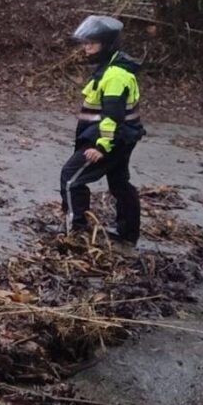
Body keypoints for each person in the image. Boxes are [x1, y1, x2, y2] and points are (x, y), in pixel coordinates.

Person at [59, 15, 144, 246]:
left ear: (106, 45)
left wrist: (101, 146)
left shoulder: (115, 75)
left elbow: (113, 116)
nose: (86, 48)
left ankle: (75, 232)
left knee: (70, 178)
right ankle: (128, 234)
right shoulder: (111, 69)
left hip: (111, 139)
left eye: (92, 44)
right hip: (121, 139)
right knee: (119, 183)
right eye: (85, 43)